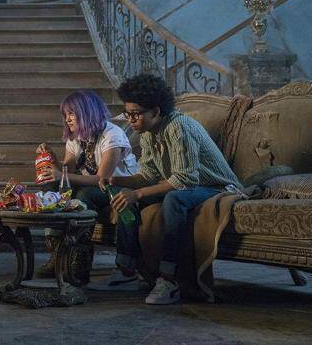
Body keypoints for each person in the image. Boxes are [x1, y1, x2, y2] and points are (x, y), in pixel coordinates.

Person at [91, 73, 241, 305]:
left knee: (174, 199)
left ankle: (169, 280)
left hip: (217, 187)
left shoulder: (179, 127)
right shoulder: (147, 133)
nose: (130, 120)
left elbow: (184, 179)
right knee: (123, 198)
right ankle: (126, 272)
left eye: (135, 114)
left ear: (155, 112)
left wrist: (137, 194)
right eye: (127, 113)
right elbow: (149, 175)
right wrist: (117, 181)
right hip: (190, 186)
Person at [35, 90, 138, 277]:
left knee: (84, 195)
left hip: (117, 186)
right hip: (92, 186)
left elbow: (101, 179)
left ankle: (80, 258)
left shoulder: (112, 135)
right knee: (50, 188)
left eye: (71, 113)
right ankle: (57, 255)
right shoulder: (76, 137)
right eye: (65, 114)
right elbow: (67, 173)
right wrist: (52, 158)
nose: (67, 119)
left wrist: (60, 175)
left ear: (87, 112)